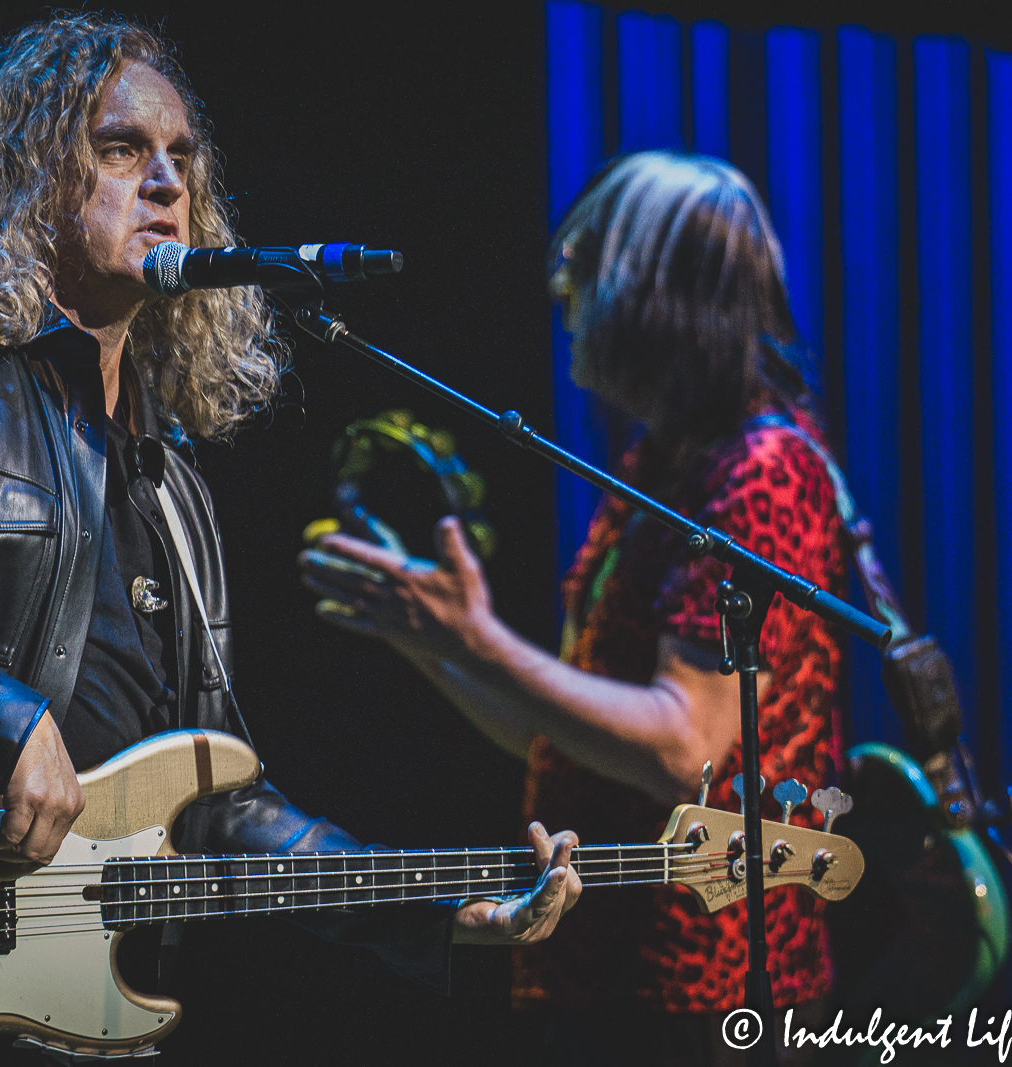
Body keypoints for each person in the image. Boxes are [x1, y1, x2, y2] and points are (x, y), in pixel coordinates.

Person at [0, 14, 580, 1065]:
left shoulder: (174, 486)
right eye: (120, 148)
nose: (165, 183)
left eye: (182, 160)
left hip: (53, 1012)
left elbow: (217, 802)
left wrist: (432, 914)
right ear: (24, 174)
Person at [300, 152, 845, 1065]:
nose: (561, 293)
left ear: (656, 296)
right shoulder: (653, 470)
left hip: (706, 988)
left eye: (583, 271)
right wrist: (432, 640)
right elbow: (559, 729)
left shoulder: (761, 469)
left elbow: (683, 747)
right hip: (614, 970)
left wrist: (476, 637)